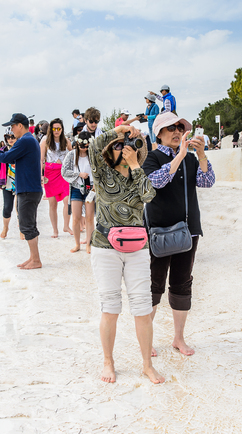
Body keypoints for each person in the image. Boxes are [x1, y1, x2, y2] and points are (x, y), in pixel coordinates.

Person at [88, 124, 165, 385]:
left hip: (137, 250)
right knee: (110, 307)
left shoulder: (138, 173)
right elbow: (93, 147)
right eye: (118, 146)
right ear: (110, 152)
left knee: (142, 308)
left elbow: (149, 195)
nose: (123, 149)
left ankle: (147, 365)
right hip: (105, 248)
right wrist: (117, 131)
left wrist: (135, 166)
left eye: (128, 146)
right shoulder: (102, 173)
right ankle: (108, 361)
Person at [143, 112, 215, 356]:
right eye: (170, 128)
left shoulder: (192, 159)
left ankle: (178, 338)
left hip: (188, 230)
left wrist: (201, 154)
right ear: (159, 135)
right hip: (158, 231)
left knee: (182, 284)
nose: (176, 132)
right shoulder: (151, 158)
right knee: (154, 285)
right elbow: (155, 182)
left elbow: (207, 182)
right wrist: (179, 157)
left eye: (179, 127)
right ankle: (146, 339)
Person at [0, 113, 43, 270]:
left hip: (28, 190)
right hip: (30, 188)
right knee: (28, 224)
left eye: (13, 126)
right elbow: (10, 156)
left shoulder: (25, 141)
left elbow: (6, 158)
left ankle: (36, 260)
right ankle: (33, 257)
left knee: (27, 226)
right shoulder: (29, 140)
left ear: (20, 126)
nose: (11, 129)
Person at [61, 131, 95, 254]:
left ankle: (89, 243)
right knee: (75, 217)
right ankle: (77, 243)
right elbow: (64, 171)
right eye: (82, 145)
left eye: (87, 146)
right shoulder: (71, 155)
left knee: (90, 217)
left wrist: (95, 185)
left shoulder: (93, 155)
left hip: (90, 188)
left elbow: (99, 171)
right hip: (76, 187)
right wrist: (78, 174)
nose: (84, 148)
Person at [40, 118, 73, 238]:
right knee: (52, 204)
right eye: (54, 128)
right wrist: (41, 175)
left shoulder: (66, 140)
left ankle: (66, 225)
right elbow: (41, 159)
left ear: (62, 129)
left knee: (67, 200)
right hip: (50, 173)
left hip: (63, 173)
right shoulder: (46, 141)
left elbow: (73, 153)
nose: (57, 131)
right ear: (51, 129)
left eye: (59, 128)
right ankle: (55, 230)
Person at [0, 128, 17, 239]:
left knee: (20, 207)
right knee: (7, 206)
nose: (10, 139)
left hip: (20, 181)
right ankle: (5, 227)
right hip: (7, 181)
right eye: (8, 137)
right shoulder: (3, 150)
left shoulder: (20, 149)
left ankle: (22, 229)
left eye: (13, 137)